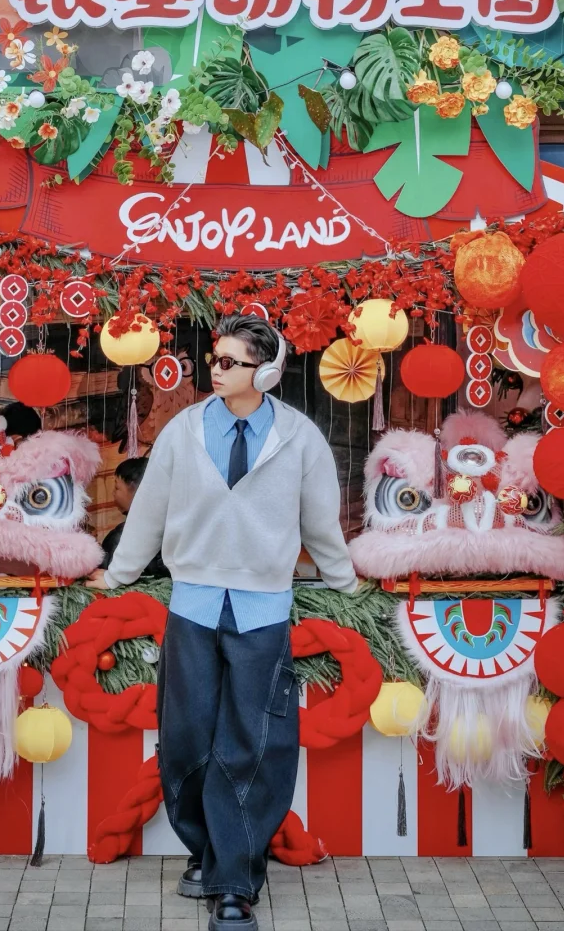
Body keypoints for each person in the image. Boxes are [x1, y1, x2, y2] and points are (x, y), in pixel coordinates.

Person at [87, 315, 358, 931]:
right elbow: (148, 513)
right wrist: (119, 574)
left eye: (231, 362)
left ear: (266, 372)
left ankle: (234, 883)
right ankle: (205, 851)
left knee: (252, 744)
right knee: (185, 737)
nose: (216, 369)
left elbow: (321, 523)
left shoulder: (299, 437)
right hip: (193, 605)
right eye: (216, 358)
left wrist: (346, 583)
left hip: (264, 609)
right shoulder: (183, 430)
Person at [99, 455, 169, 578]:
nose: (113, 493)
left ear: (136, 490)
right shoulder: (170, 527)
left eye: (117, 487)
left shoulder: (121, 537)